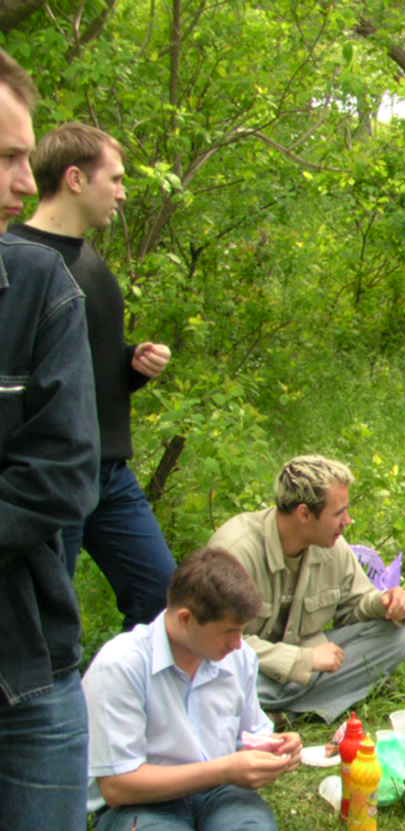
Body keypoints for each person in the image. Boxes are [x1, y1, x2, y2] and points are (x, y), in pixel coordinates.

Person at [82, 548, 384, 831]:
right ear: (185, 619)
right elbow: (118, 786)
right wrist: (226, 769)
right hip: (136, 810)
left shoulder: (235, 657)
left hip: (218, 791)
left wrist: (276, 746)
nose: (239, 643)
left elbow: (250, 730)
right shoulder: (120, 666)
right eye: (229, 631)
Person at [0, 51, 118, 831]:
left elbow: (57, 478)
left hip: (25, 669)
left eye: (21, 155)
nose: (16, 179)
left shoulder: (40, 288)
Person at [12, 122, 175, 630]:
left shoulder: (91, 263)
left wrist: (132, 364)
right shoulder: (18, 261)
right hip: (54, 475)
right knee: (47, 623)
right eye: (116, 179)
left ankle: (122, 682)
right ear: (76, 179)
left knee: (162, 599)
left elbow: (84, 368)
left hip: (110, 472)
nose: (123, 193)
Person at [208, 455, 405, 724]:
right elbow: (215, 641)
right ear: (304, 514)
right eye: (339, 513)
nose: (348, 521)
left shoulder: (333, 546)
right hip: (252, 672)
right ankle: (290, 707)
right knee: (218, 678)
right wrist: (303, 660)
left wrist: (385, 602)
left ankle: (276, 712)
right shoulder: (235, 550)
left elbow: (354, 607)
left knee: (396, 636)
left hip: (309, 665)